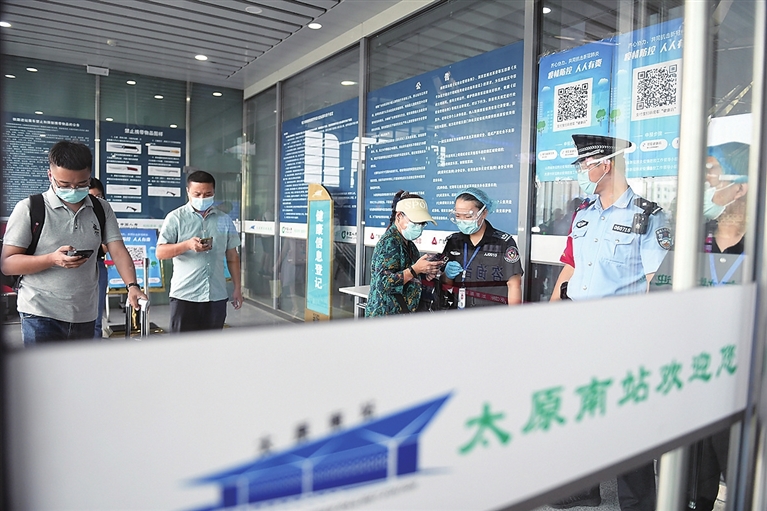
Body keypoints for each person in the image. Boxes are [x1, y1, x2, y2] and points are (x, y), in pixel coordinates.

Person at [549, 134, 672, 511]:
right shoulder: (583, 213)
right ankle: (584, 487)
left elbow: (655, 280)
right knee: (582, 409)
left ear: (606, 165)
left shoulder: (647, 216)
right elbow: (571, 266)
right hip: (579, 328)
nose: (581, 171)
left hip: (622, 333)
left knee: (628, 421)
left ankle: (637, 503)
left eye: (585, 164)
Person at [0, 140, 147, 345]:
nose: (73, 189)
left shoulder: (101, 209)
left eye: (81, 184)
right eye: (64, 184)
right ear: (50, 175)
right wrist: (52, 259)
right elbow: (8, 264)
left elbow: (118, 250)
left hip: (85, 314)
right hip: (40, 313)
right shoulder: (29, 208)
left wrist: (132, 285)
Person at [686, 142, 749, 511]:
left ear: (741, 185)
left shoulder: (759, 239)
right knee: (696, 467)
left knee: (735, 458)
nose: (708, 179)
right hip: (698, 362)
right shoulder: (697, 234)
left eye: (714, 171)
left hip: (743, 367)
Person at [156, 170, 242, 332]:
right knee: (182, 345)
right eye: (197, 194)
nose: (202, 198)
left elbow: (232, 255)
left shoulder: (224, 220)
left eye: (208, 194)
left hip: (216, 295)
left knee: (211, 345)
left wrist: (237, 287)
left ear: (214, 192)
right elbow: (160, 252)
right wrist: (187, 245)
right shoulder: (175, 218)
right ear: (188, 191)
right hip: (185, 295)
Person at [441, 187, 523, 307]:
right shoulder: (453, 242)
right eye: (458, 216)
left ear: (483, 213)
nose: (462, 221)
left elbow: (514, 285)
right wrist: (447, 275)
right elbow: (446, 284)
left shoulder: (503, 242)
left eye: (468, 216)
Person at [365, 191, 442, 317]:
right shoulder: (390, 242)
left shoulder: (409, 244)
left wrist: (424, 272)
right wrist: (415, 270)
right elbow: (383, 284)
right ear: (399, 216)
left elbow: (406, 273)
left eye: (423, 223)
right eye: (415, 222)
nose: (419, 227)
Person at [88, 177, 110, 338]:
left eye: (99, 196)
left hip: (97, 265)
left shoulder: (105, 213)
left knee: (96, 318)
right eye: (91, 196)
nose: (96, 200)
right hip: (72, 267)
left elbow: (109, 245)